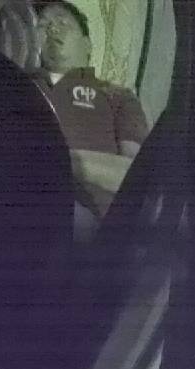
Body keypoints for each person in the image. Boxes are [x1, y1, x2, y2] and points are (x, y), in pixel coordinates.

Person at [33, 0, 150, 224]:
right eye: (43, 25)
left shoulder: (116, 95)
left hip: (81, 214)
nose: (52, 29)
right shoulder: (19, 82)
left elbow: (136, 177)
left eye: (62, 22)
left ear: (87, 45)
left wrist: (56, 160)